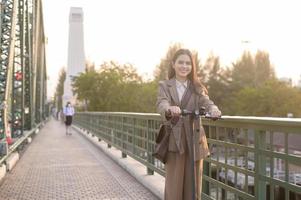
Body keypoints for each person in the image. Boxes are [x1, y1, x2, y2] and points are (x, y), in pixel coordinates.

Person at [156, 49, 221, 200]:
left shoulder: (197, 87)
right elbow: (161, 103)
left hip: (195, 140)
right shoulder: (165, 85)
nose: (184, 66)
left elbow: (207, 102)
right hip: (174, 140)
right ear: (173, 64)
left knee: (194, 188)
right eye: (180, 62)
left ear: (192, 66)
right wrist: (169, 109)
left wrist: (214, 109)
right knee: (174, 187)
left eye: (188, 63)